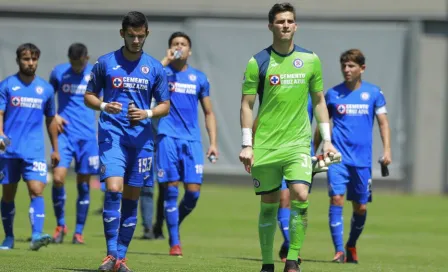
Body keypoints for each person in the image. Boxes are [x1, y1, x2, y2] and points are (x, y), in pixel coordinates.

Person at [238, 3, 340, 272]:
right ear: (270, 25)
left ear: (296, 26)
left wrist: (327, 139)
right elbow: (247, 105)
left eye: (290, 21)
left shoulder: (310, 60)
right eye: (280, 21)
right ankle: (267, 264)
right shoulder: (257, 62)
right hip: (266, 146)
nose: (285, 25)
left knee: (301, 194)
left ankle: (292, 259)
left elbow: (319, 101)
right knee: (269, 205)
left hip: (298, 144)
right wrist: (247, 144)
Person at [84, 11, 170, 272]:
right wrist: (102, 104)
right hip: (113, 136)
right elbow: (88, 95)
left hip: (142, 140)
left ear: (147, 34)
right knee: (113, 188)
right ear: (122, 33)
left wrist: (147, 113)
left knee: (132, 196)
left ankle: (120, 257)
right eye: (131, 36)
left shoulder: (154, 67)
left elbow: (165, 105)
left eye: (140, 36)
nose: (136, 41)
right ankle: (110, 254)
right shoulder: (106, 63)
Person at [313, 49, 391, 264]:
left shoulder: (374, 93)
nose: (346, 70)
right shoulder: (332, 94)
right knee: (336, 198)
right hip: (336, 157)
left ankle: (351, 244)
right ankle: (338, 251)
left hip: (362, 161)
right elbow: (323, 124)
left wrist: (387, 151)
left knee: (361, 206)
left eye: (351, 66)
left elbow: (383, 123)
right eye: (344, 65)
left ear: (362, 68)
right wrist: (313, 149)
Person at [155, 31, 218, 256]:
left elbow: (209, 112)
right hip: (167, 137)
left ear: (190, 51)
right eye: (175, 44)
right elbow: (147, 81)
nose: (179, 46)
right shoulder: (162, 72)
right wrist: (166, 61)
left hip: (191, 140)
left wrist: (213, 143)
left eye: (182, 44)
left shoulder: (198, 78)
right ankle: (175, 242)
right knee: (171, 190)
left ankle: (173, 223)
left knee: (193, 193)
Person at [0, 43, 60, 250]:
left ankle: (36, 235)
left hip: (34, 150)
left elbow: (51, 120)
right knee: (8, 194)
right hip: (9, 150)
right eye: (26, 59)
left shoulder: (46, 89)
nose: (31, 63)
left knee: (36, 190)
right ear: (18, 61)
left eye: (34, 59)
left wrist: (55, 148)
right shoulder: (7, 85)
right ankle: (8, 237)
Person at [49, 43, 99, 245]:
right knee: (58, 178)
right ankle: (61, 225)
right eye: (73, 63)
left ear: (87, 58)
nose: (76, 67)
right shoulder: (59, 72)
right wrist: (53, 115)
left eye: (79, 63)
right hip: (65, 135)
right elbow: (46, 96)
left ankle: (78, 232)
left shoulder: (95, 74)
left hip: (87, 137)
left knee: (84, 185)